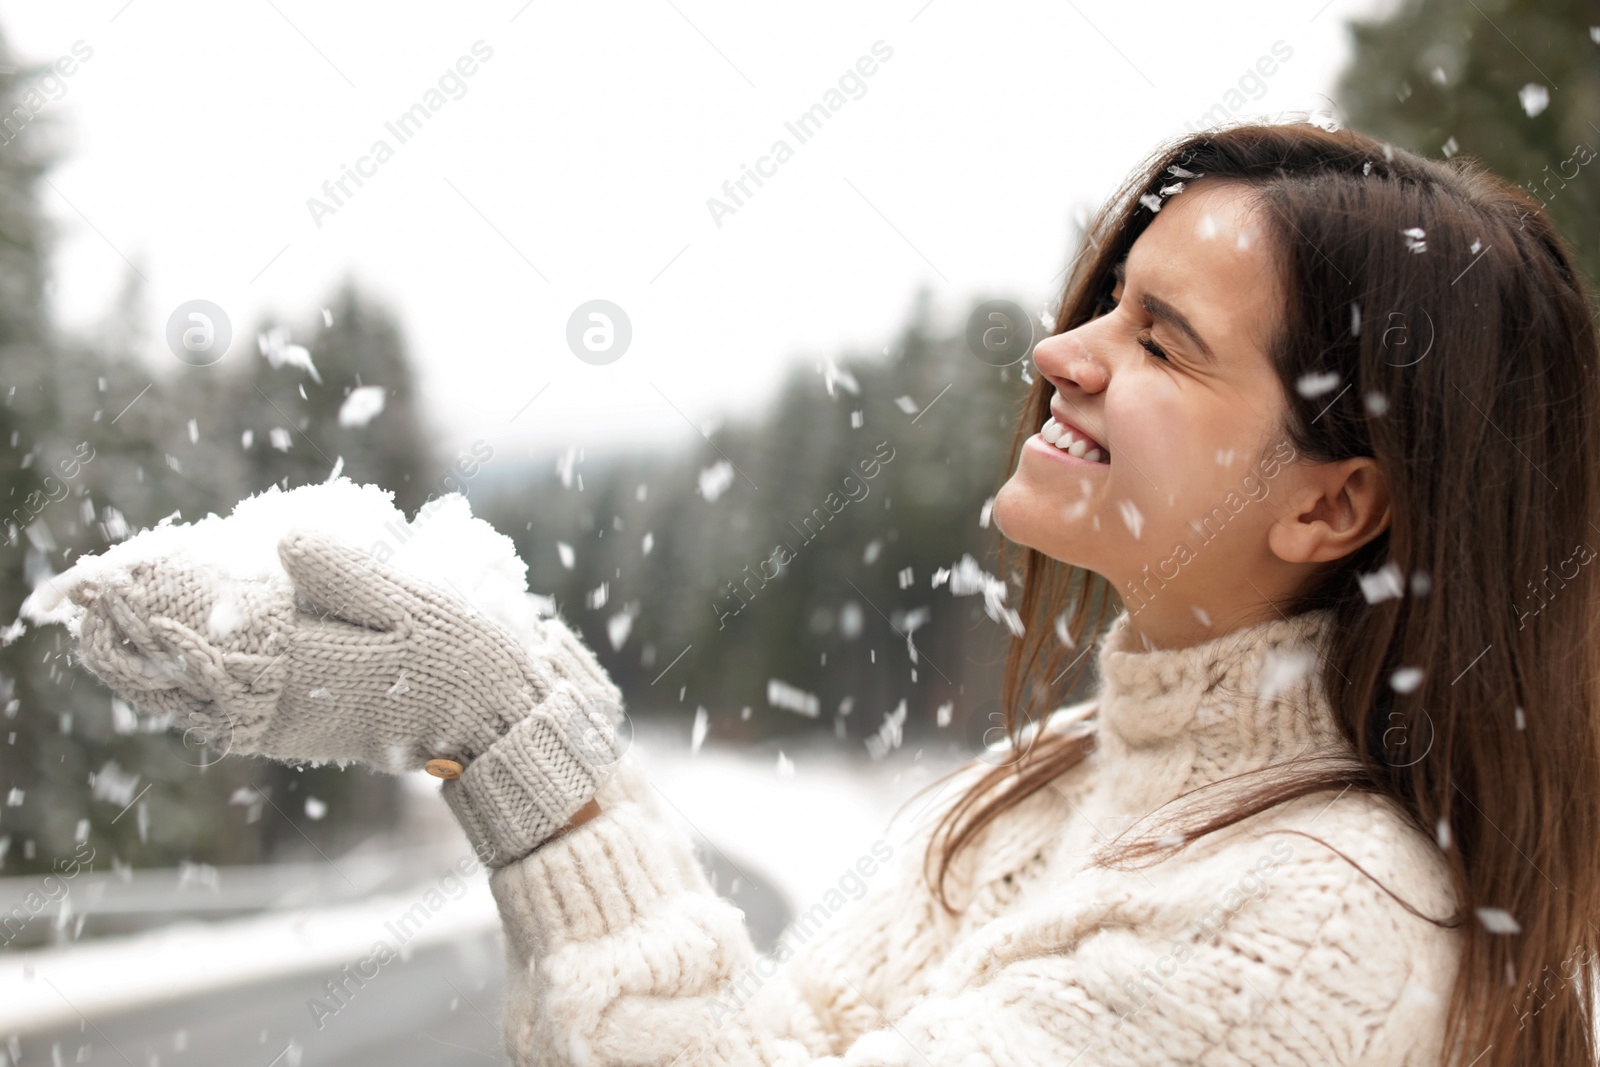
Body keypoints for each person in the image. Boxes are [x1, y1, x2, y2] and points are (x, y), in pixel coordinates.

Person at [66, 119, 1600, 1066]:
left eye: (1162, 342)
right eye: (1105, 311)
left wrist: (514, 734)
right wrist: (492, 710)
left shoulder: (1320, 926)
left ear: (1337, 499)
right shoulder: (1045, 789)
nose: (1063, 358)